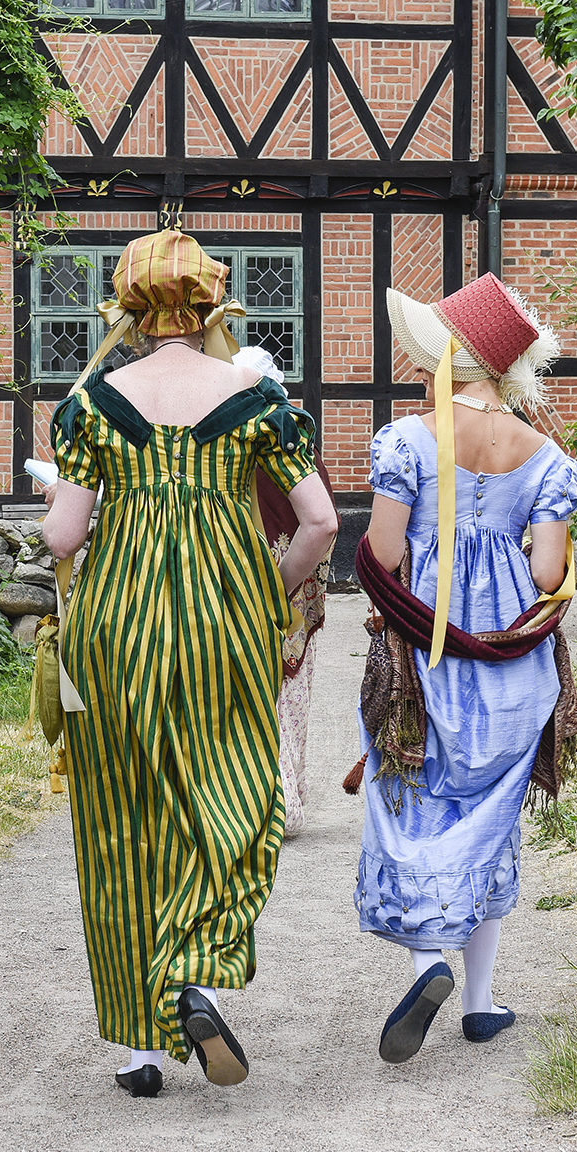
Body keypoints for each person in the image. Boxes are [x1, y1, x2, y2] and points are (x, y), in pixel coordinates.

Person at [41, 229, 338, 1098]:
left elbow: (63, 534)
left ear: (131, 310)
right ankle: (196, 977)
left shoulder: (92, 405)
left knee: (124, 823)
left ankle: (140, 1050)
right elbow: (319, 526)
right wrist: (265, 591)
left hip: (116, 631)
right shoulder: (260, 404)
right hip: (224, 628)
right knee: (236, 795)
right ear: (211, 307)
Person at [353, 274, 577, 1060]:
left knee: (414, 796)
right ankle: (480, 1003)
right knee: (490, 818)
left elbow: (383, 553)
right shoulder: (546, 455)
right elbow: (550, 576)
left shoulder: (407, 441)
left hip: (426, 649)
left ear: (453, 355)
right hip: (512, 661)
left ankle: (426, 963)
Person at [232, 346, 335, 840]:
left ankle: (253, 803)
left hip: (241, 582)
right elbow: (324, 523)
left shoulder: (229, 442)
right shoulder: (295, 441)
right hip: (293, 585)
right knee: (288, 697)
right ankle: (283, 799)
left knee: (243, 694)